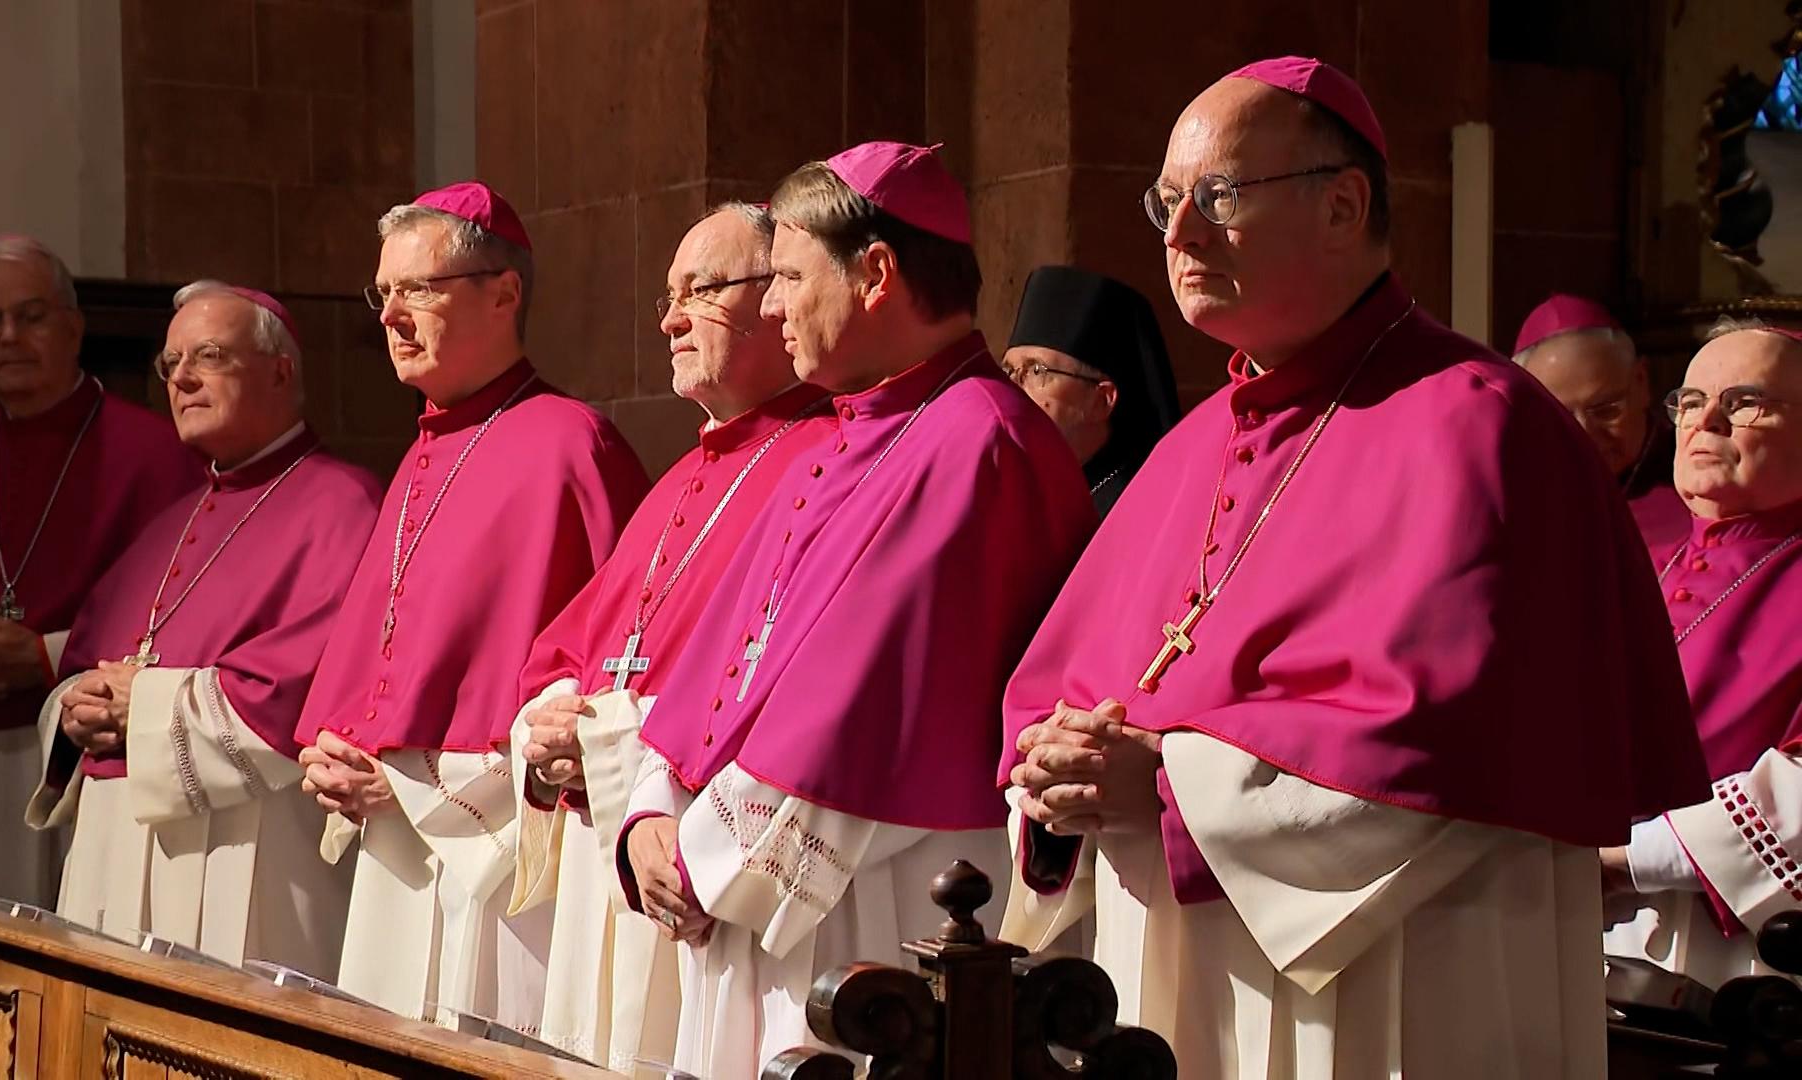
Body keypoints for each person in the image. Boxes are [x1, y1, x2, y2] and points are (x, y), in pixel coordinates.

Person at [1000, 57, 1706, 1078]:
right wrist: (1055, 772)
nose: (1182, 235)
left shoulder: (1487, 425)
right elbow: (1065, 692)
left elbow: (1449, 731)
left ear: (1343, 204)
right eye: (1167, 203)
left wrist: (1165, 785)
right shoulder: (1190, 447)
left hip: (1407, 967)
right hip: (1171, 963)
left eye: (1220, 196)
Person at [617, 141, 1094, 1076]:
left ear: (875, 272)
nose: (770, 304)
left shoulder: (980, 443)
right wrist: (648, 816)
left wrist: (699, 863)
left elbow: (866, 710)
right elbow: (719, 671)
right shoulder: (836, 439)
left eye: (789, 275)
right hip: (760, 900)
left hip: (882, 915)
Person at [295, 181, 648, 1031]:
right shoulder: (419, 455)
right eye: (382, 293)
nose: (391, 315)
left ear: (504, 293)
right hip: (394, 851)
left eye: (417, 289)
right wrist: (337, 752)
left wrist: (420, 784)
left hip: (503, 861)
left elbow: (600, 684)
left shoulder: (573, 445)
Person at [508, 202, 835, 1071]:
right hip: (607, 864)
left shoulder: (826, 461)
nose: (674, 317)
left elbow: (779, 692)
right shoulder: (683, 475)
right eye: (668, 296)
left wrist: (610, 747)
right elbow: (571, 651)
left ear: (779, 299)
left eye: (704, 289)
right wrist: (544, 732)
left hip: (694, 861)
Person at [25, 282, 379, 976]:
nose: (181, 378)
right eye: (170, 363)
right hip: (112, 846)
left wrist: (145, 706)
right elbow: (84, 667)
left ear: (281, 371)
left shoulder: (344, 504)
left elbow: (302, 690)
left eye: (209, 356)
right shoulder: (171, 521)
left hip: (247, 846)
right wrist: (76, 711)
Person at [0, 235, 197, 906]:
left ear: (74, 325)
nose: (9, 337)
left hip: (97, 760)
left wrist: (49, 657)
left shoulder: (159, 458)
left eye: (31, 315)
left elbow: (191, 611)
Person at [1604, 319, 1802, 990]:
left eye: (1745, 402)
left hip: (1743, 956)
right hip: (1581, 923)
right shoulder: (1640, 563)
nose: (1706, 421)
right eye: (1689, 402)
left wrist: (1623, 860)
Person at [1003, 265, 1182, 512]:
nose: (1011, 389)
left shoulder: (1139, 508)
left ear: (1101, 400)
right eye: (1009, 370)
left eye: (1036, 371)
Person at [1515, 293, 1684, 550]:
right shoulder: (1514, 494)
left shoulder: (1698, 483)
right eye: (1559, 417)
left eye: (1605, 410)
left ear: (1641, 381)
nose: (1585, 435)